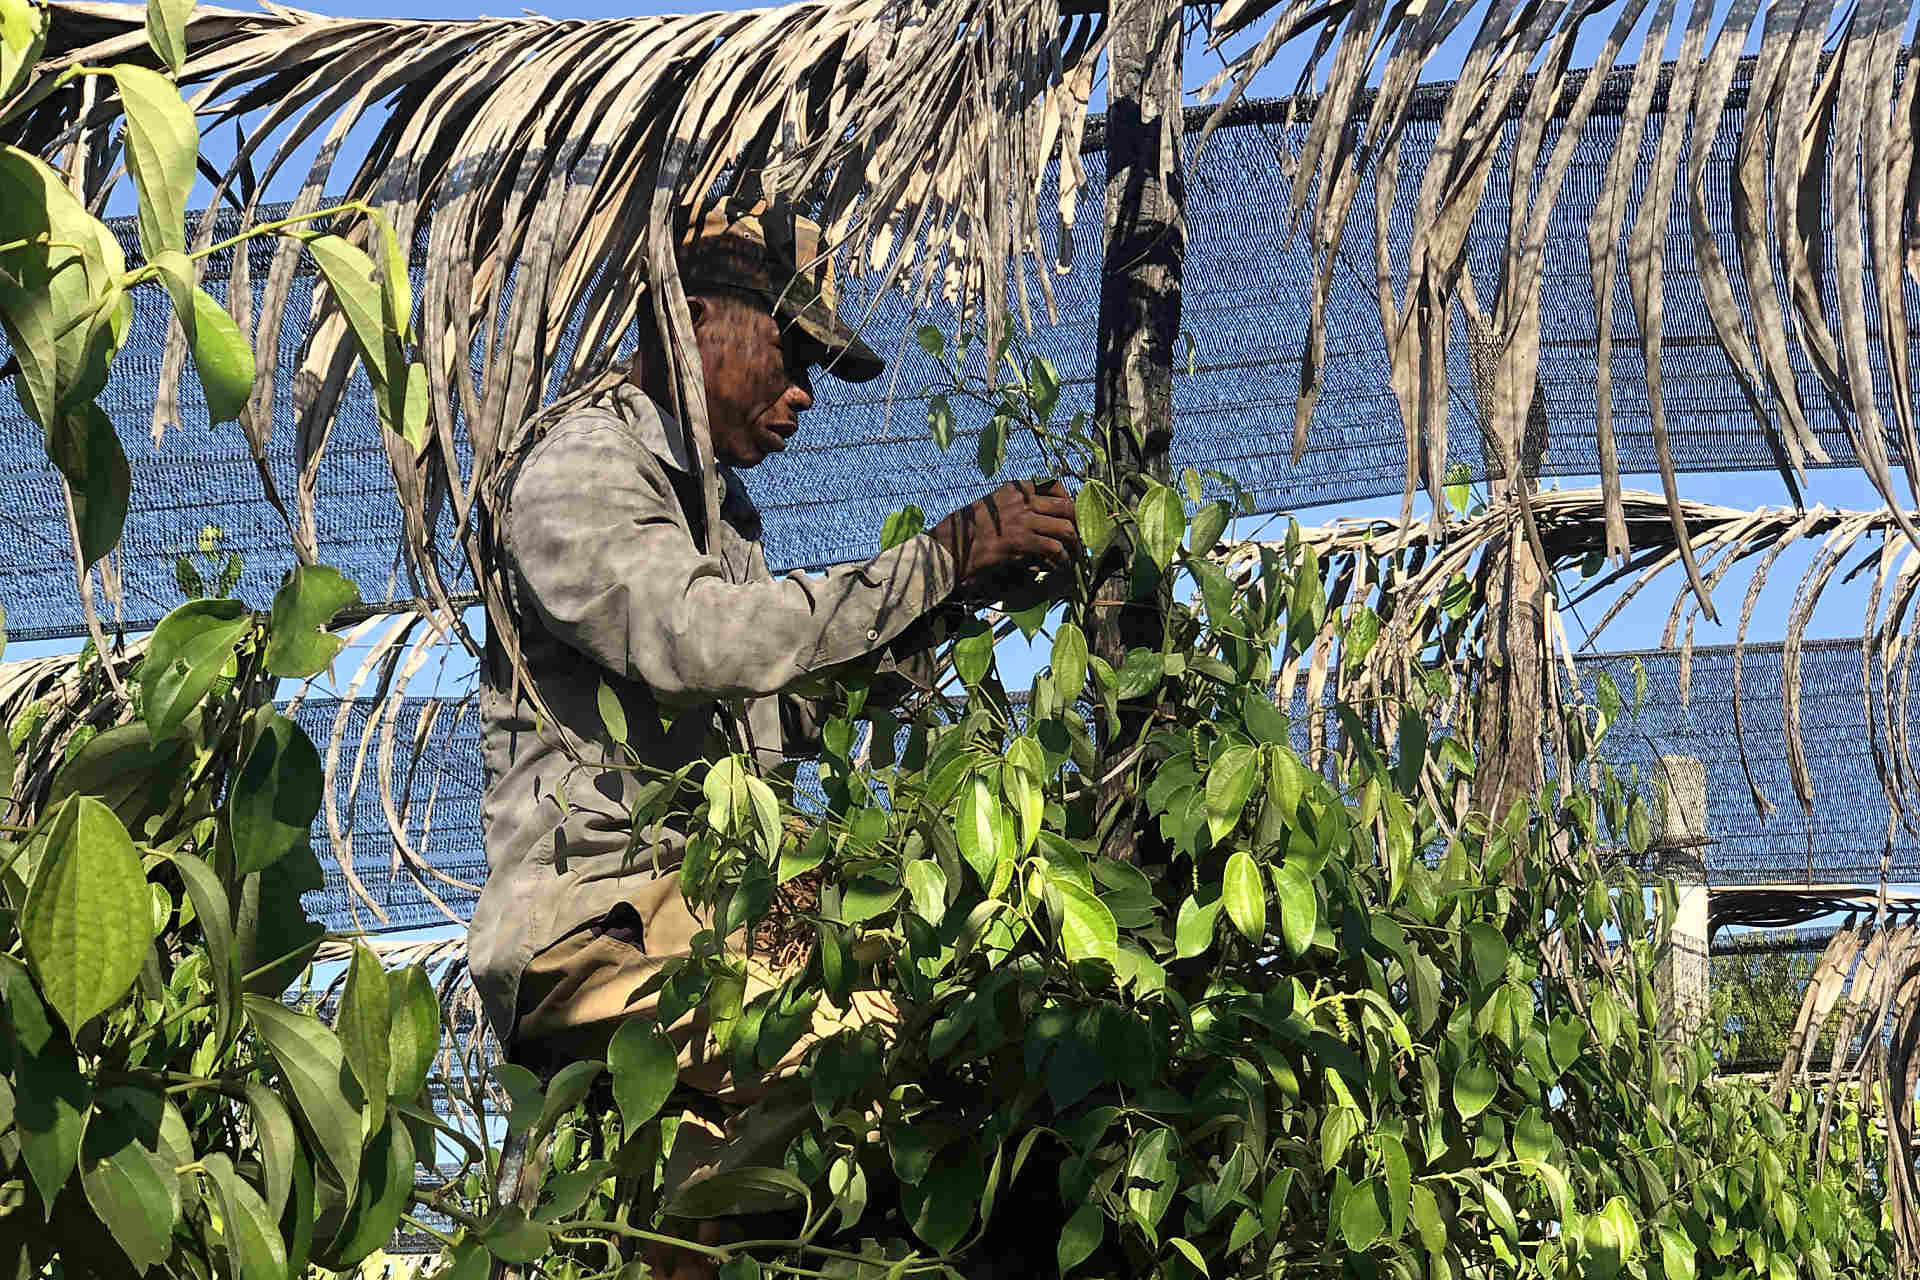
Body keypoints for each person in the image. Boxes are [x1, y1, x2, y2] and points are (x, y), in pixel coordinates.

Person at [470, 202, 1080, 1276]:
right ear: (688, 317)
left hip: (706, 910)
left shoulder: (721, 508)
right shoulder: (577, 469)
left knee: (736, 1203)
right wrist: (935, 558)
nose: (802, 392)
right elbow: (702, 639)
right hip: (598, 914)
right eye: (790, 352)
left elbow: (772, 711)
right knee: (878, 1042)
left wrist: (956, 599)